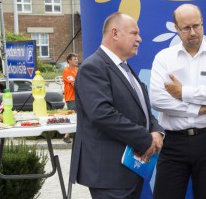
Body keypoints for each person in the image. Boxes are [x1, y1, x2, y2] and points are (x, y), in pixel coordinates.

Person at [69, 12, 164, 199]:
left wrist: (157, 130)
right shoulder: (93, 67)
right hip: (109, 175)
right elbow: (102, 115)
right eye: (134, 33)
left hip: (128, 172)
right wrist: (145, 139)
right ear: (114, 33)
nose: (140, 39)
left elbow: (143, 110)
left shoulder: (125, 68)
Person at [150, 3, 206, 199]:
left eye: (197, 26)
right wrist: (198, 110)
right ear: (176, 29)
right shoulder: (164, 58)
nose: (193, 32)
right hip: (173, 141)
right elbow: (157, 99)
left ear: (203, 24)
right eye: (186, 28)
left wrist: (183, 92)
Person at [62, 53, 78, 143]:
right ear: (69, 61)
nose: (76, 60)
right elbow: (73, 83)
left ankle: (69, 135)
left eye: (77, 58)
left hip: (78, 97)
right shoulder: (66, 71)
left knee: (78, 117)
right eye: (74, 59)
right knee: (72, 117)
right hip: (71, 97)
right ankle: (66, 136)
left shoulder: (78, 70)